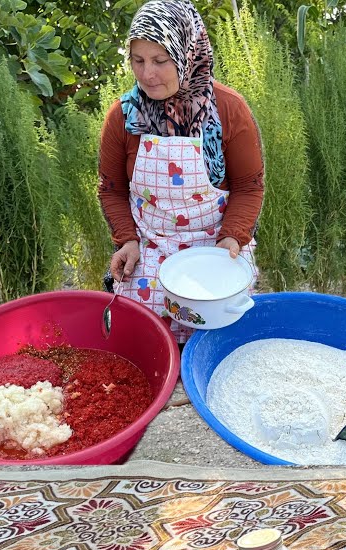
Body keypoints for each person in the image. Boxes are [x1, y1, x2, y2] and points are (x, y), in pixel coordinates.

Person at [99, 0, 263, 343]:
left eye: (160, 60)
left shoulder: (228, 110)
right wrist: (127, 240)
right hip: (150, 246)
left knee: (219, 323)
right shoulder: (123, 117)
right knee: (144, 334)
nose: (147, 74)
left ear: (188, 54)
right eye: (138, 60)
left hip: (215, 244)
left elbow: (249, 186)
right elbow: (112, 189)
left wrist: (232, 236)